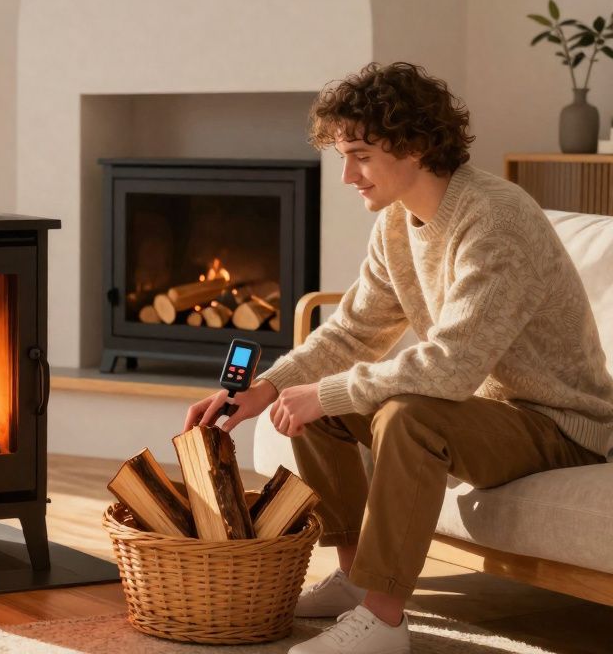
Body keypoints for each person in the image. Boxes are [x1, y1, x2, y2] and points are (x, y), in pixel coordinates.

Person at [183, 62, 613, 654]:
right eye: (343, 156)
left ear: (414, 146)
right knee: (320, 403)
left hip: (558, 424)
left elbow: (451, 366)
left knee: (406, 417)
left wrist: (325, 392)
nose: (346, 176)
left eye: (359, 156)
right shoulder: (395, 224)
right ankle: (355, 580)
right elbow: (352, 333)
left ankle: (384, 621)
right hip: (485, 414)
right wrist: (267, 388)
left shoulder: (496, 219)